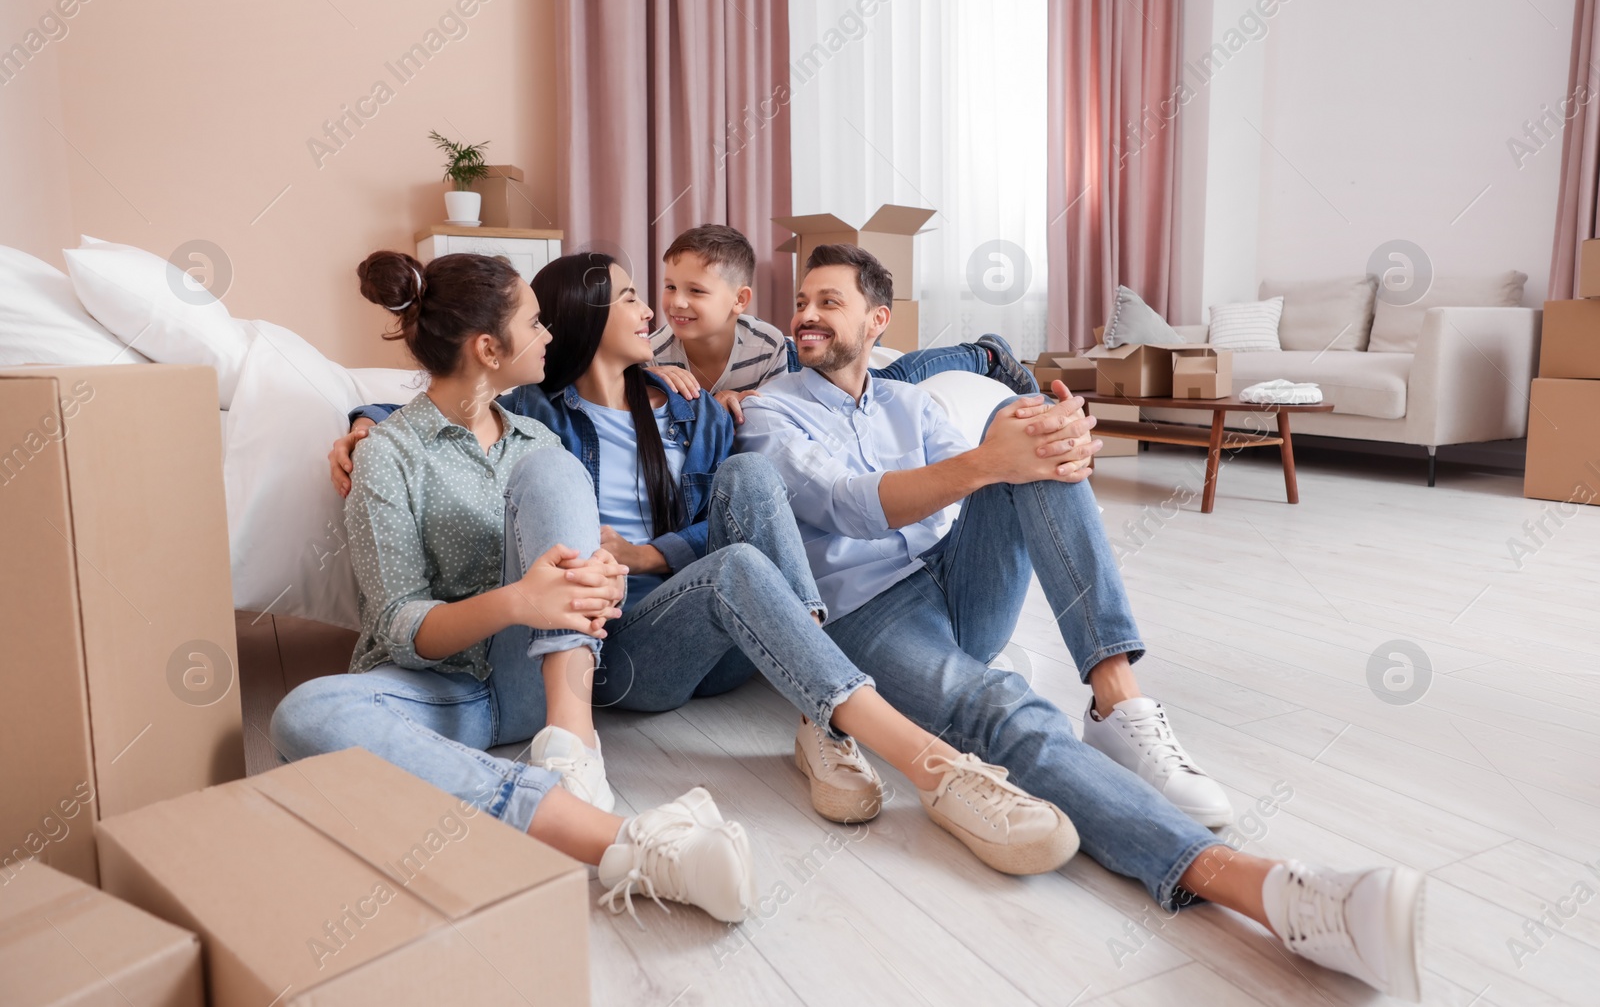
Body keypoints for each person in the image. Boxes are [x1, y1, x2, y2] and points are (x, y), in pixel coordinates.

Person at [735, 243, 1425, 1000]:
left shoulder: (910, 403)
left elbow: (977, 487)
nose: (804, 315)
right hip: (867, 618)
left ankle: (1116, 697)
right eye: (801, 301)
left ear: (877, 321)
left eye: (828, 301)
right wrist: (993, 462)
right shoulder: (774, 410)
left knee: (1028, 424)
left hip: (955, 585)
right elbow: (845, 504)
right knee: (1006, 711)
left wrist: (1051, 443)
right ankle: (1271, 892)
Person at [330, 250, 1079, 880]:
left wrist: (646, 554)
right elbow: (448, 409)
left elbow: (718, 512)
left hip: (684, 614)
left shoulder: (678, 408)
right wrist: (365, 420)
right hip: (608, 639)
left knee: (745, 491)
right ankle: (596, 768)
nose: (656, 310)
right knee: (660, 528)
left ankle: (850, 732)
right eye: (636, 295)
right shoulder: (541, 421)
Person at [272, 251, 757, 924]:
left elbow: (574, 563)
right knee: (304, 714)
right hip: (440, 687)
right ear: (488, 348)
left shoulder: (538, 439)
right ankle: (632, 844)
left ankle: (571, 740)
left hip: (536, 682)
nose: (551, 333)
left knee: (555, 473)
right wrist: (520, 600)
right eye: (536, 322)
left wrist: (605, 578)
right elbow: (397, 626)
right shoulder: (388, 454)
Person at [644, 223, 1037, 424]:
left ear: (740, 301)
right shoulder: (655, 354)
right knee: (885, 369)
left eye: (696, 291)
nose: (676, 302)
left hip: (796, 364)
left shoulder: (764, 343)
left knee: (887, 379)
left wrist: (729, 400)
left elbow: (775, 403)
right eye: (669, 287)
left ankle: (982, 353)